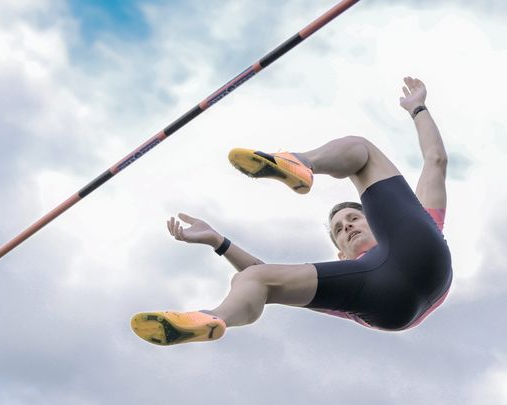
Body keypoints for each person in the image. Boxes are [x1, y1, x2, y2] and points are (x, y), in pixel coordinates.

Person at [131, 77, 452, 345]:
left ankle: (300, 163)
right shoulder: (351, 280)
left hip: (417, 266)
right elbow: (268, 278)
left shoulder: (420, 219)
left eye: (353, 218)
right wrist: (219, 242)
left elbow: (435, 159)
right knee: (257, 278)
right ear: (341, 256)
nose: (347, 227)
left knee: (362, 152)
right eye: (339, 230)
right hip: (384, 298)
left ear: (376, 216)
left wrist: (418, 108)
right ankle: (213, 321)